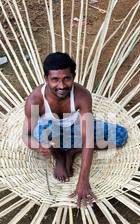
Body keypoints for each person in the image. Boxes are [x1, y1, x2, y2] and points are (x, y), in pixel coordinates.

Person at [22, 52, 128, 208]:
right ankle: (59, 157)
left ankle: (71, 151)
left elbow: (88, 137)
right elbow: (26, 134)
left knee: (121, 136)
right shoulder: (35, 99)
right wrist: (39, 147)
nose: (62, 85)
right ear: (46, 79)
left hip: (74, 127)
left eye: (66, 78)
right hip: (50, 133)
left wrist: (83, 181)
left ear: (73, 76)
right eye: (55, 80)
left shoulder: (82, 95)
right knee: (42, 134)